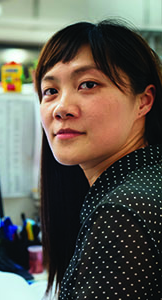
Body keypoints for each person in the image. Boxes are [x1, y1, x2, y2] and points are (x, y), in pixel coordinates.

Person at [35, 19, 162, 299]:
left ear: (143, 101)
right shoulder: (149, 178)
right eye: (50, 91)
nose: (61, 108)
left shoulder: (122, 212)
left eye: (88, 84)